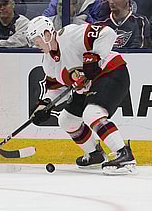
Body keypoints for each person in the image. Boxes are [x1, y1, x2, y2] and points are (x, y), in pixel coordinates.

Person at [26, 16, 137, 175]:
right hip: (87, 86)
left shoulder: (70, 35)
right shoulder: (48, 62)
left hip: (112, 72)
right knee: (66, 120)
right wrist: (45, 106)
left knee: (92, 113)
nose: (35, 44)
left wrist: (95, 57)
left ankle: (124, 155)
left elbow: (108, 33)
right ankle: (95, 154)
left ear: (47, 34)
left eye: (36, 39)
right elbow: (56, 89)